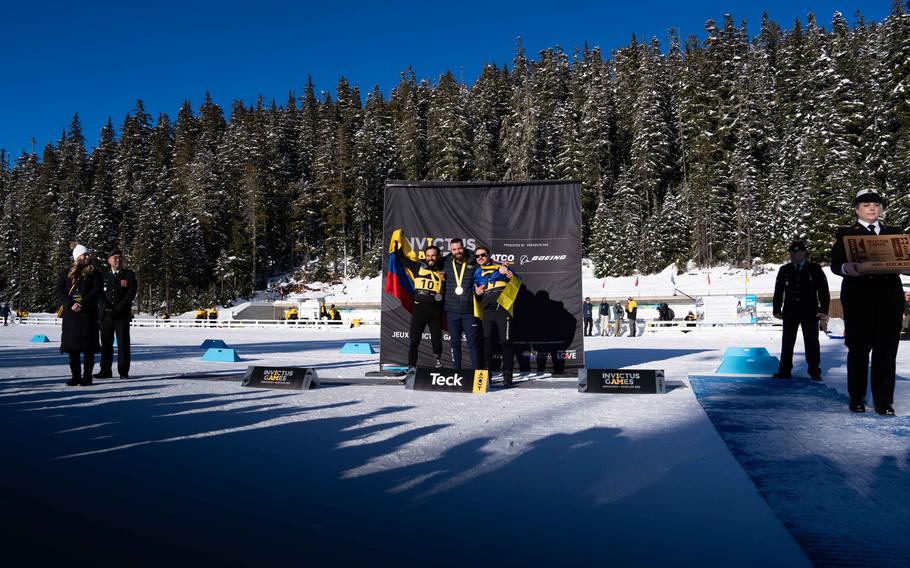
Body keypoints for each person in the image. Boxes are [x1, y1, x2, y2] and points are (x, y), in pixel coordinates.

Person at [830, 188, 906, 416]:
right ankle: (857, 397)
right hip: (858, 298)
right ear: (856, 209)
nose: (872, 208)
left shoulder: (895, 233)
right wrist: (847, 269)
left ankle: (884, 401)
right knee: (858, 350)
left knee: (886, 351)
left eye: (875, 204)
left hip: (889, 298)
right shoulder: (845, 234)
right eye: (866, 205)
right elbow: (836, 264)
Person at [771, 241, 830, 380]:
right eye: (791, 253)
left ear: (804, 253)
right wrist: (776, 309)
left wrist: (823, 309)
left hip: (810, 311)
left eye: (796, 253)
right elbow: (778, 291)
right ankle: (785, 370)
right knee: (787, 342)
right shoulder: (785, 270)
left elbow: (823, 290)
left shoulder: (814, 269)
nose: (793, 255)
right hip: (790, 311)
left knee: (812, 343)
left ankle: (814, 371)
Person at [56, 244, 102, 386]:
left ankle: (87, 376)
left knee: (88, 348)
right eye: (84, 255)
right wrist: (71, 304)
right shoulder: (65, 273)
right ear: (77, 257)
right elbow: (60, 292)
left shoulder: (95, 273)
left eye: (88, 254)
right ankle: (75, 376)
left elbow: (96, 291)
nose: (87, 257)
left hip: (88, 314)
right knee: (72, 347)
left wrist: (82, 303)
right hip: (71, 316)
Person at [474, 245, 518, 386]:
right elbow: (476, 294)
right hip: (487, 311)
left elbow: (516, 281)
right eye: (477, 256)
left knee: (506, 342)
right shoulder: (476, 273)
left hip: (502, 310)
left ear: (488, 255)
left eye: (483, 255)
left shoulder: (501, 266)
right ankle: (487, 375)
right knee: (486, 342)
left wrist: (510, 275)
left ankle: (507, 375)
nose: (480, 258)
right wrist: (477, 293)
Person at [95, 249, 137, 380]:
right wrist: (106, 308)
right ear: (109, 260)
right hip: (106, 315)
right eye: (115, 258)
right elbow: (98, 293)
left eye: (120, 257)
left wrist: (118, 308)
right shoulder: (102, 275)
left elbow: (130, 294)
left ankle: (123, 371)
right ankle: (105, 370)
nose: (118, 260)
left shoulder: (128, 275)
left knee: (123, 344)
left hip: (121, 315)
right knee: (106, 344)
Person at [441, 238, 481, 369]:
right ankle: (456, 372)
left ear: (463, 248)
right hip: (452, 310)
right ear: (451, 250)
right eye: (454, 249)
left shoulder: (474, 262)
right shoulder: (446, 262)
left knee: (473, 343)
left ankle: (476, 373)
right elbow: (429, 264)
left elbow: (488, 265)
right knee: (455, 343)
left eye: (459, 248)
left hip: (469, 310)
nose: (457, 251)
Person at [406, 245, 445, 368]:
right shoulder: (418, 266)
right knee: (414, 340)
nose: (430, 258)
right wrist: (396, 243)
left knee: (437, 340)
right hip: (419, 309)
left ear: (438, 256)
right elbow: (402, 258)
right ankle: (411, 368)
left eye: (433, 255)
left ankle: (438, 363)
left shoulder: (444, 269)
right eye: (428, 256)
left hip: (435, 310)